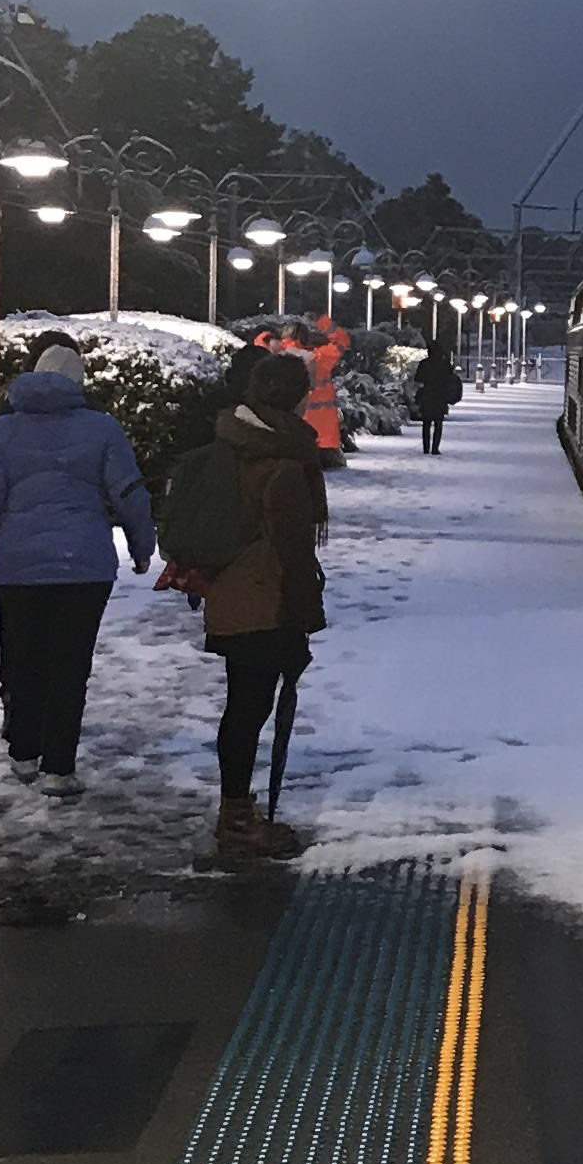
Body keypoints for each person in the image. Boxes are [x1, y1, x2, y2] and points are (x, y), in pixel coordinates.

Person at [0, 336, 154, 791]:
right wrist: (142, 545)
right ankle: (59, 767)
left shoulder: (4, 431)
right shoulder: (102, 428)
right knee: (70, 665)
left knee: (24, 658)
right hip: (84, 566)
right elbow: (128, 493)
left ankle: (23, 753)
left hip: (17, 566)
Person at [192, 349, 327, 861]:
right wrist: (302, 624)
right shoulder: (285, 465)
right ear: (297, 398)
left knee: (241, 709)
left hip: (230, 595)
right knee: (249, 712)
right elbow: (293, 555)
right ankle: (238, 819)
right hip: (265, 604)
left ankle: (236, 811)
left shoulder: (232, 443)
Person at [409, 337, 459, 456]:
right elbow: (451, 377)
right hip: (440, 395)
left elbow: (418, 379)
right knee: (438, 423)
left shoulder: (424, 364)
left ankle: (426, 448)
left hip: (427, 395)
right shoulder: (444, 364)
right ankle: (435, 448)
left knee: (426, 423)